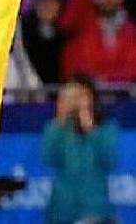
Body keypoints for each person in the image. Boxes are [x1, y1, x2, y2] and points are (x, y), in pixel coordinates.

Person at [42, 76, 118, 224]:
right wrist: (59, 121)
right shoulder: (59, 128)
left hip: (94, 210)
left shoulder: (106, 128)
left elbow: (110, 161)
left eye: (80, 96)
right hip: (62, 210)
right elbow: (48, 157)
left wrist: (90, 129)